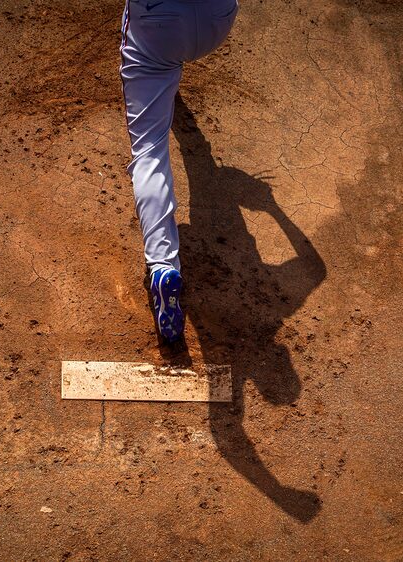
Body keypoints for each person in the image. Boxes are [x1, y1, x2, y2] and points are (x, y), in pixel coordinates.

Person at [119, 0, 238, 344]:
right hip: (218, 22)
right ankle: (168, 75)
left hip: (161, 27)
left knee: (149, 148)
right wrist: (271, 207)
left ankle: (163, 267)